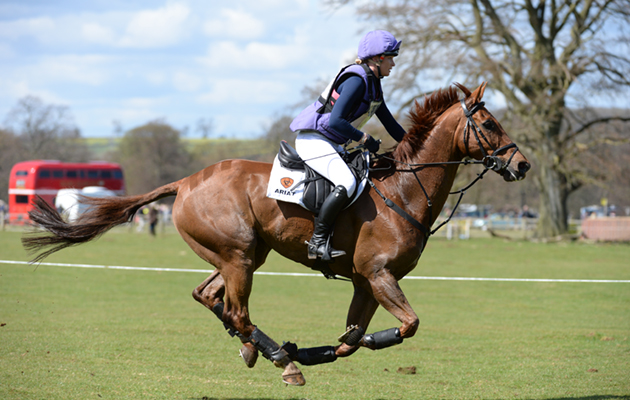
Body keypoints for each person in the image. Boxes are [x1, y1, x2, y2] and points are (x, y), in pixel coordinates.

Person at [290, 30, 407, 260]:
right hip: (314, 139)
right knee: (347, 181)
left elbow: (391, 125)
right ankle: (317, 242)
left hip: (332, 141)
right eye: (391, 57)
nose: (393, 63)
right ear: (377, 58)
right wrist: (364, 139)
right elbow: (336, 121)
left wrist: (417, 147)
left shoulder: (374, 85)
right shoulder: (356, 80)